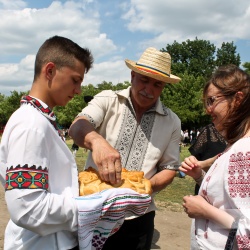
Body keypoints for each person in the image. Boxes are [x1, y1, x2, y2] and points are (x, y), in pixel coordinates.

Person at [69, 47, 182, 250]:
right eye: (144, 80)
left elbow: (170, 168)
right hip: (95, 213)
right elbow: (78, 125)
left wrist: (141, 190)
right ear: (132, 75)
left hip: (139, 217)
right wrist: (96, 140)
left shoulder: (172, 121)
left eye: (157, 84)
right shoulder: (108, 99)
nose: (149, 89)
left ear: (164, 86)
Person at [0, 35, 94, 250]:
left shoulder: (38, 119)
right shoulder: (31, 124)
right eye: (75, 80)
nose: (79, 90)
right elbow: (27, 208)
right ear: (50, 71)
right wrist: (91, 206)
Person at [179, 64, 250, 249]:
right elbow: (226, 202)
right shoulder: (235, 146)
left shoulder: (243, 150)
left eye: (212, 100)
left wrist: (205, 211)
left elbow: (248, 232)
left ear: (237, 100)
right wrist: (198, 176)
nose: (208, 109)